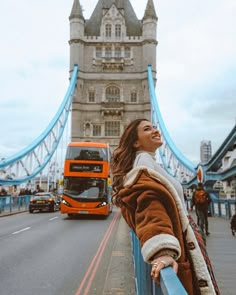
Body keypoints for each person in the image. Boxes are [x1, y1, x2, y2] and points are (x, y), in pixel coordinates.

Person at [111, 119, 219, 295]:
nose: (155, 131)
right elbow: (149, 207)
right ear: (136, 142)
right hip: (179, 249)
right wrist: (163, 251)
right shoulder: (143, 168)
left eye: (154, 127)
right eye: (147, 129)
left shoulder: (149, 164)